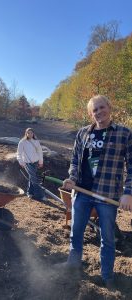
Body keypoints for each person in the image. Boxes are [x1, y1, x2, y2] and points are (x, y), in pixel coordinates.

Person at [62, 95, 132, 288]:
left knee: (107, 238)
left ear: (109, 108)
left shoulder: (124, 134)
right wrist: (72, 178)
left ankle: (107, 276)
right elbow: (75, 160)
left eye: (102, 107)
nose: (99, 112)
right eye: (95, 110)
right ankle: (73, 265)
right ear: (90, 114)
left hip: (108, 195)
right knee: (76, 233)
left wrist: (128, 192)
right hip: (82, 193)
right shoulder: (83, 133)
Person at [17, 127, 47, 201]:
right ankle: (41, 196)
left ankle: (29, 193)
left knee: (31, 178)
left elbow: (40, 152)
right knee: (34, 179)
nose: (30, 134)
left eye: (31, 133)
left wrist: (41, 162)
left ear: (33, 133)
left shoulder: (36, 142)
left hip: (36, 163)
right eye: (28, 133)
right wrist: (21, 162)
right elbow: (19, 153)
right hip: (27, 163)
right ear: (26, 133)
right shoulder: (22, 142)